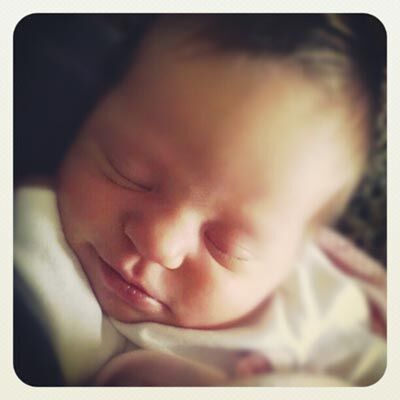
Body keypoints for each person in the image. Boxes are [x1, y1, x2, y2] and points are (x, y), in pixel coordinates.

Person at [14, 14, 386, 386]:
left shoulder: (314, 306)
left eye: (227, 245)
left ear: (292, 259)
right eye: (127, 173)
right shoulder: (38, 249)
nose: (158, 244)